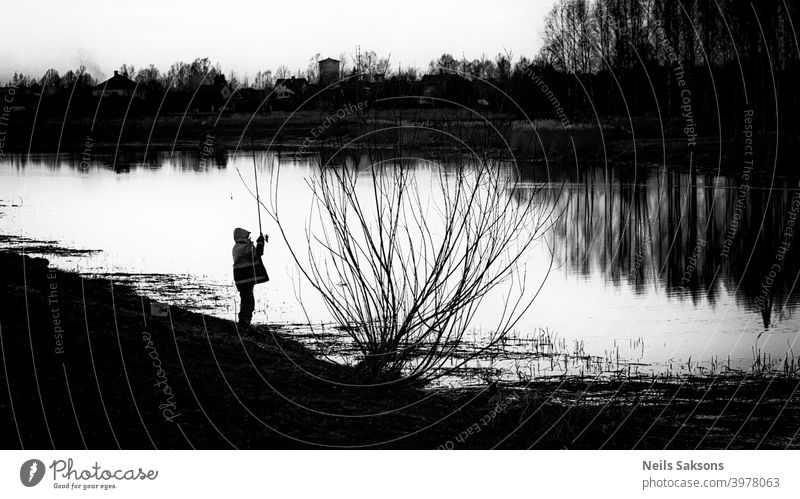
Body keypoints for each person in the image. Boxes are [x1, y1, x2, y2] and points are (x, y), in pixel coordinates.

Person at [232, 227, 266, 329]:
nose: (249, 238)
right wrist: (260, 243)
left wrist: (259, 243)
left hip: (244, 279)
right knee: (248, 301)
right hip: (244, 279)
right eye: (247, 237)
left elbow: (254, 253)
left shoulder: (238, 247)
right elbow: (257, 253)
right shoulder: (242, 247)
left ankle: (244, 321)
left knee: (246, 300)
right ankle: (244, 322)